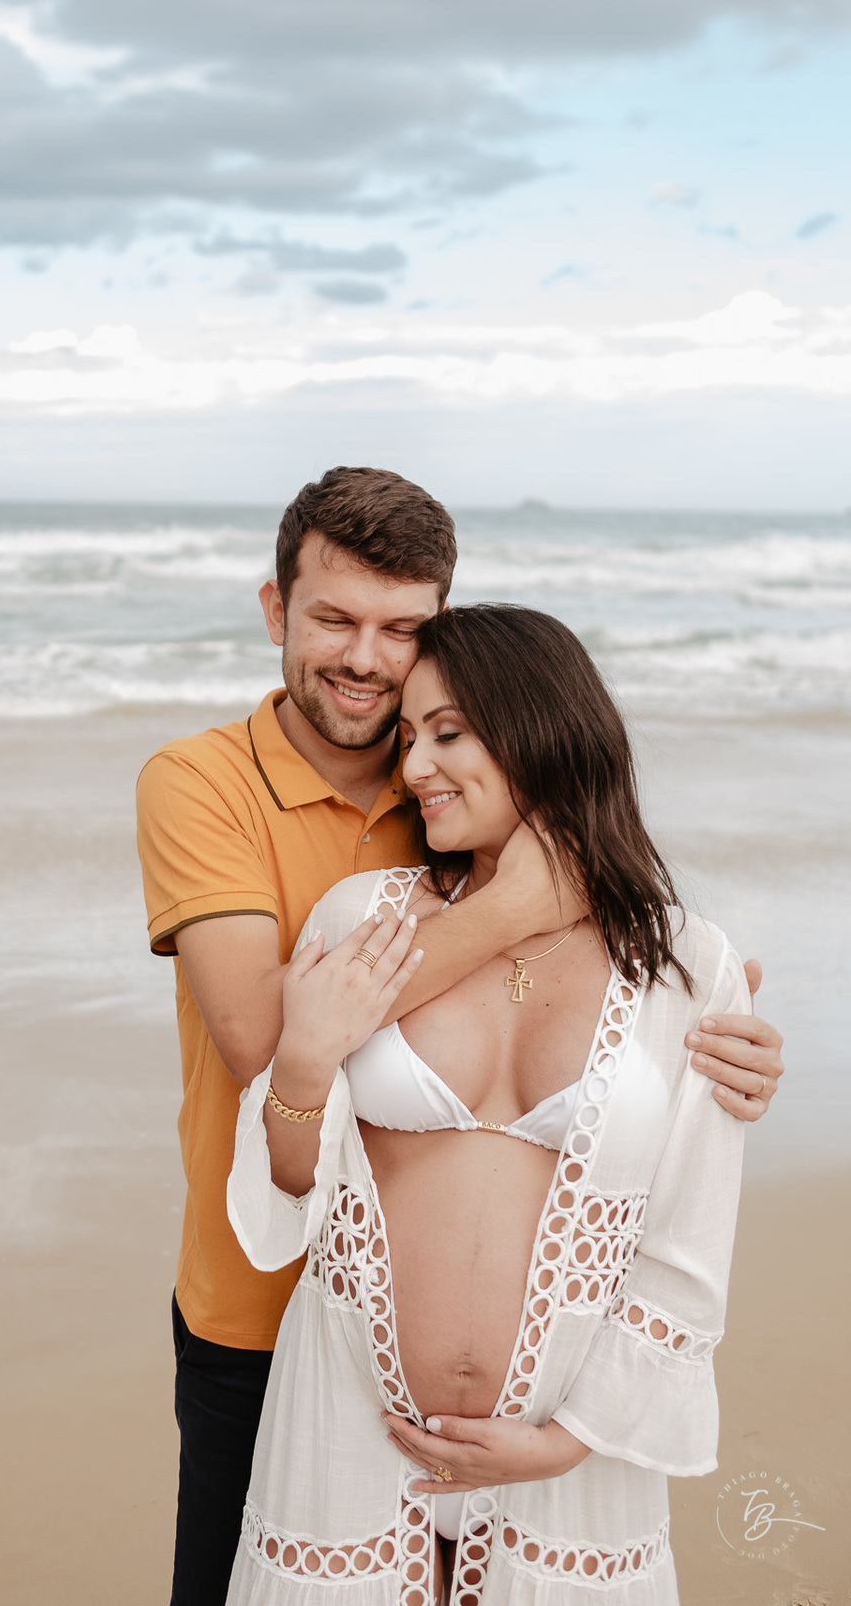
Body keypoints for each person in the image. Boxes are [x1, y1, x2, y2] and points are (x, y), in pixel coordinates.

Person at [134, 468, 783, 1606]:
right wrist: (520, 904)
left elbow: (670, 1174)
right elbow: (258, 1041)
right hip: (267, 1319)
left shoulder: (444, 800)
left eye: (402, 631)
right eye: (334, 618)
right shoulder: (204, 785)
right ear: (276, 610)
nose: (368, 660)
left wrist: (726, 1044)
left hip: (552, 1427)